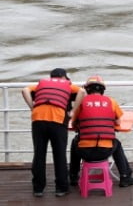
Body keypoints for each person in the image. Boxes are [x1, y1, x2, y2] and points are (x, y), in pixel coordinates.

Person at [21, 68, 85, 197]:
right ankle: (61, 188)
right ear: (64, 77)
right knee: (59, 154)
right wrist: (72, 112)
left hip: (38, 118)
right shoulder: (66, 84)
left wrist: (32, 107)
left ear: (50, 77)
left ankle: (38, 188)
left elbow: (25, 90)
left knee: (39, 154)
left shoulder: (42, 83)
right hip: (57, 119)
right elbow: (82, 91)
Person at [69, 75, 133, 188]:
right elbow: (117, 122)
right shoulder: (111, 101)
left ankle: (73, 177)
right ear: (102, 89)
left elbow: (73, 124)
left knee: (74, 142)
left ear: (87, 89)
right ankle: (125, 176)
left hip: (85, 151)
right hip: (105, 151)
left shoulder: (80, 102)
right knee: (116, 143)